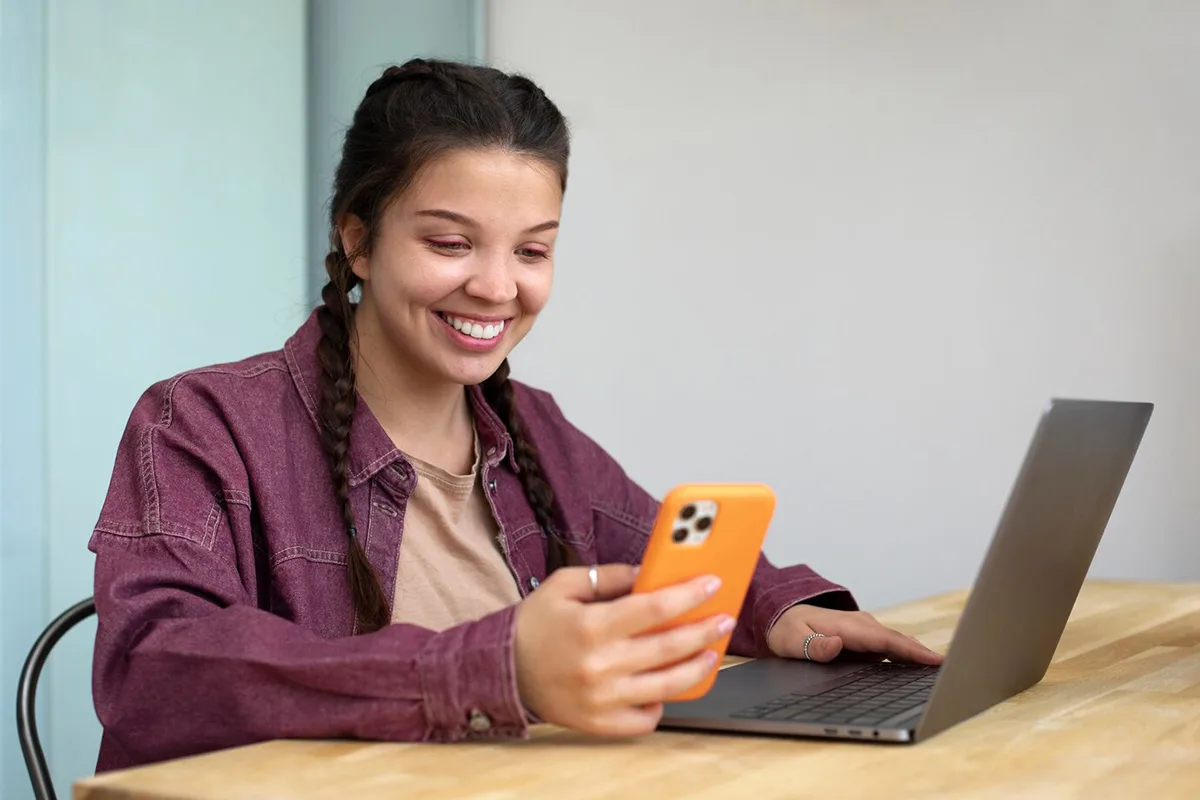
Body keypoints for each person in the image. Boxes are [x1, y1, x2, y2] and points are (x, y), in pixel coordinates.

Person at [88, 57, 941, 772]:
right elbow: (153, 673)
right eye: (450, 243)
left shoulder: (536, 432)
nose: (499, 287)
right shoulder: (200, 423)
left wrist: (783, 614)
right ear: (357, 239)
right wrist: (495, 671)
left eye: (533, 249)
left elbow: (666, 562)